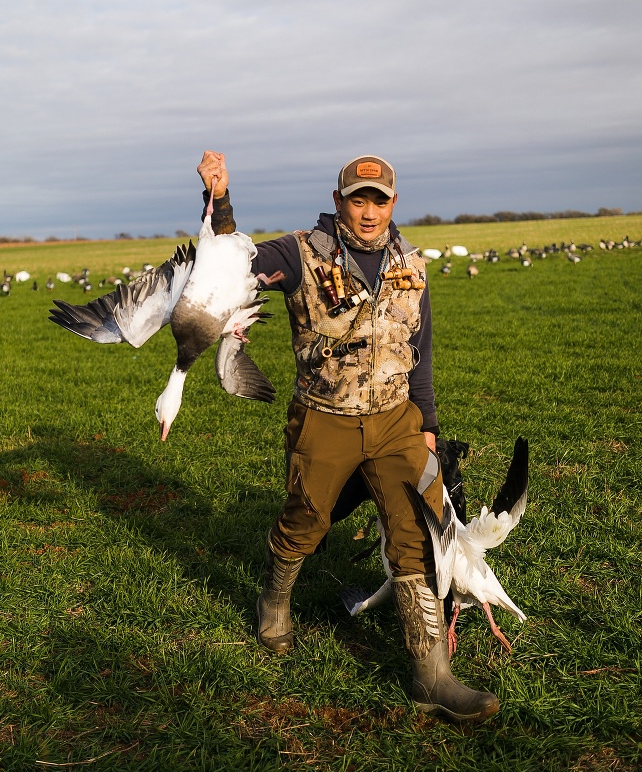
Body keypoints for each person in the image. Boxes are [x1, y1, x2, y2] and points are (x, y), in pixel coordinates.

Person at [196, 150, 498, 724]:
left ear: (393, 203)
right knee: (307, 517)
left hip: (395, 418)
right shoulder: (298, 253)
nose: (368, 211)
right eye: (357, 199)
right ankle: (275, 596)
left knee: (418, 528)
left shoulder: (412, 262)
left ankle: (432, 674)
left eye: (378, 200)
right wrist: (220, 199)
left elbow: (420, 348)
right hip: (325, 416)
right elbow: (229, 268)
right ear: (339, 202)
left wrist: (428, 425)